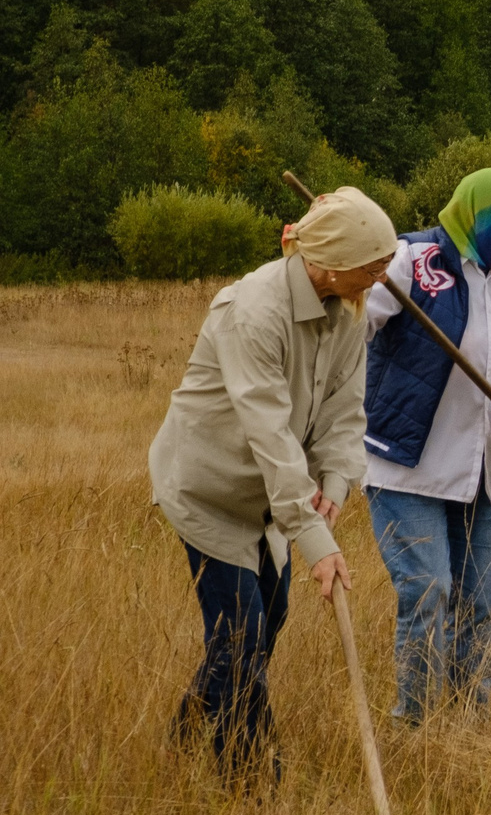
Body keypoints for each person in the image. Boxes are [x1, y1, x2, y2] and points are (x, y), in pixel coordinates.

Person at [148, 187, 398, 783]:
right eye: (375, 263)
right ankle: (253, 779)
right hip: (210, 492)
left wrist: (335, 484)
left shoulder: (346, 313)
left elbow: (345, 411)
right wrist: (316, 542)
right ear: (333, 261)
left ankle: (186, 729)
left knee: (267, 621)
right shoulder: (253, 311)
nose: (383, 275)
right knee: (242, 633)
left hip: (268, 506)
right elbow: (269, 435)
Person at [360, 168, 491, 725]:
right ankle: (415, 729)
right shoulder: (411, 260)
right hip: (405, 466)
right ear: (487, 217)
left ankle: (469, 731)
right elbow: (350, 322)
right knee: (427, 594)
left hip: (482, 472)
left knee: (481, 606)